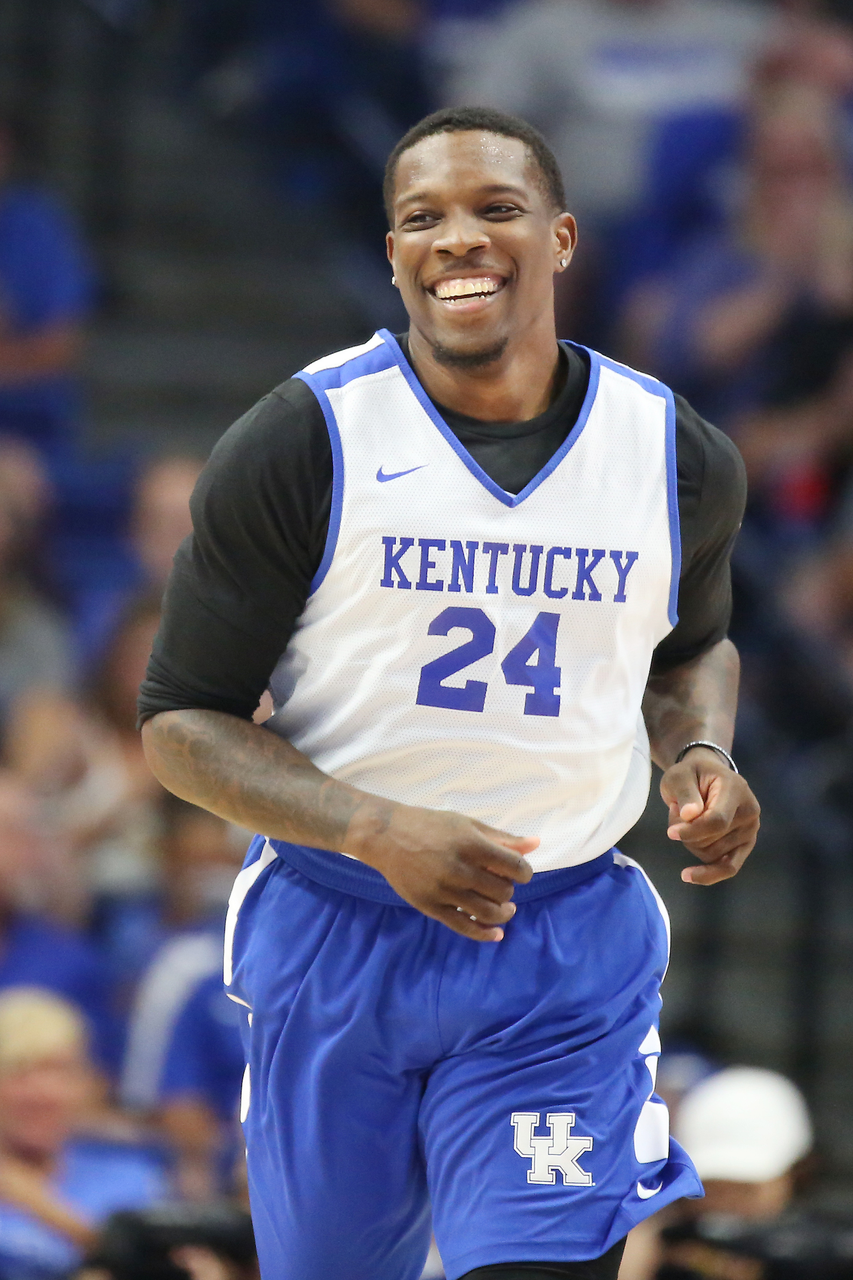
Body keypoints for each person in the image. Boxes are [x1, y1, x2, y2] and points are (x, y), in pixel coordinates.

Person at [139, 106, 761, 1280]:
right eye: (421, 218)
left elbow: (688, 652)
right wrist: (370, 826)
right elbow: (179, 721)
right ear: (391, 256)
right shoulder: (302, 439)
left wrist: (701, 755)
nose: (456, 239)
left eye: (494, 209)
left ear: (563, 237)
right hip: (341, 925)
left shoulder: (674, 453)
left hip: (558, 945)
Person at [0, 987, 167, 1280]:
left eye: (62, 1073)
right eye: (20, 1073)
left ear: (88, 1086)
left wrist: (34, 1202)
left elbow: (154, 1263)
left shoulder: (131, 1179)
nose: (44, 1094)